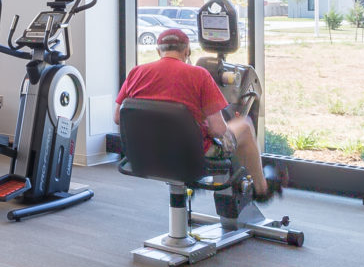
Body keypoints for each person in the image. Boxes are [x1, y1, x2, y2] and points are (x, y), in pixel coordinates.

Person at [115, 27, 278, 200]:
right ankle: (262, 189)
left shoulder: (135, 72)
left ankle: (192, 185)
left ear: (158, 51)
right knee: (244, 125)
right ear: (187, 51)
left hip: (144, 151)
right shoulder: (199, 75)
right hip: (189, 155)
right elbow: (218, 130)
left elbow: (118, 117)